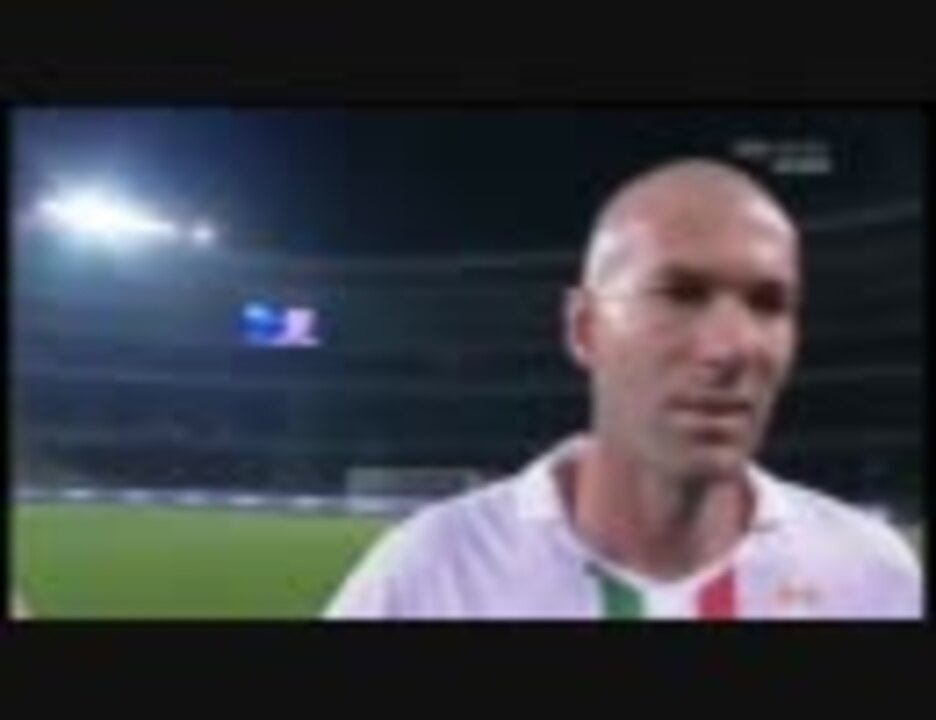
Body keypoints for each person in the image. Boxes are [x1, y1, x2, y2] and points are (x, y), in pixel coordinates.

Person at [323, 158, 922, 620]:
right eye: (680, 294)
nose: (731, 348)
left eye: (769, 303)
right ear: (584, 329)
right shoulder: (431, 576)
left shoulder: (873, 579)